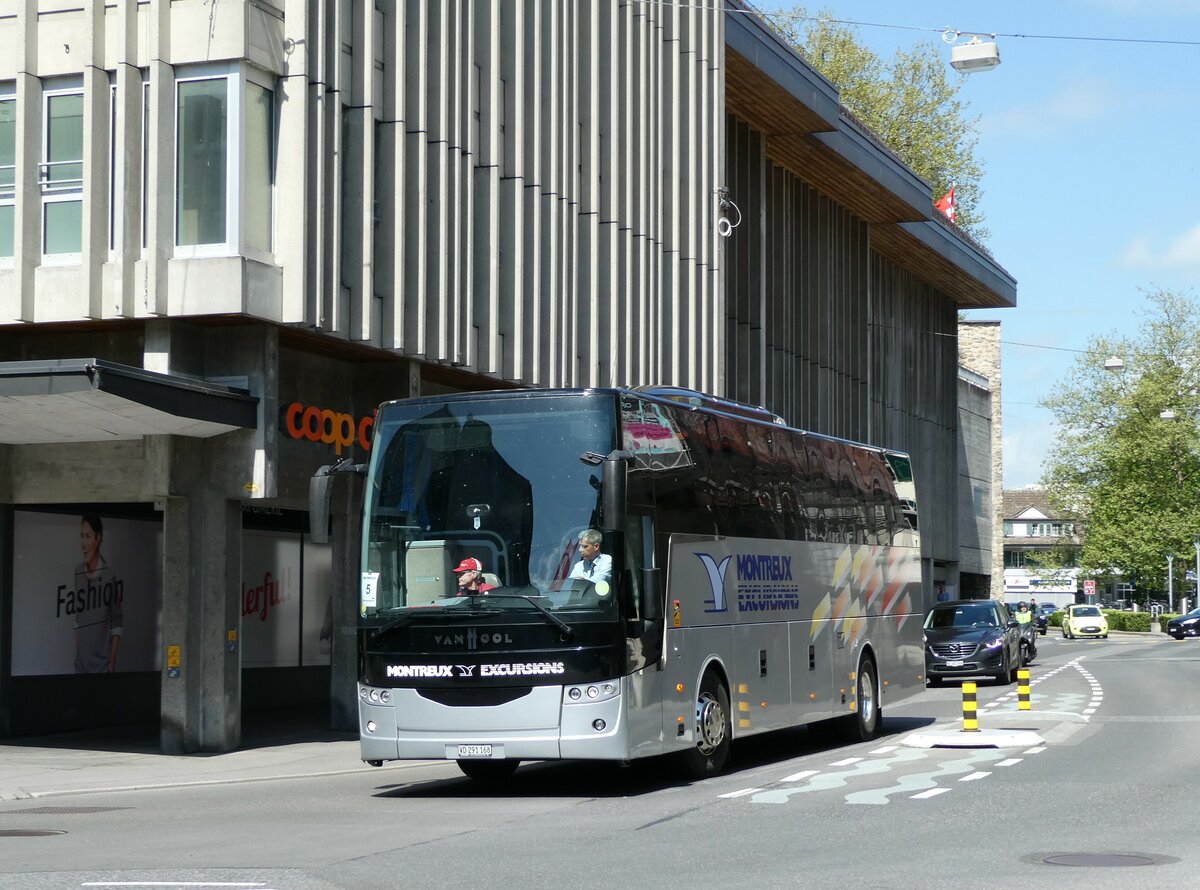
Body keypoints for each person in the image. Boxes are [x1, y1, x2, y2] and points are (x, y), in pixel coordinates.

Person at [73, 515, 123, 673]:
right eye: (82, 536)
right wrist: (78, 655)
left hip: (102, 667)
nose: (83, 543)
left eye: (88, 536)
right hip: (80, 666)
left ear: (98, 539)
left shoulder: (109, 576)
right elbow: (78, 620)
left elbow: (117, 622)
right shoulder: (78, 572)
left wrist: (112, 662)